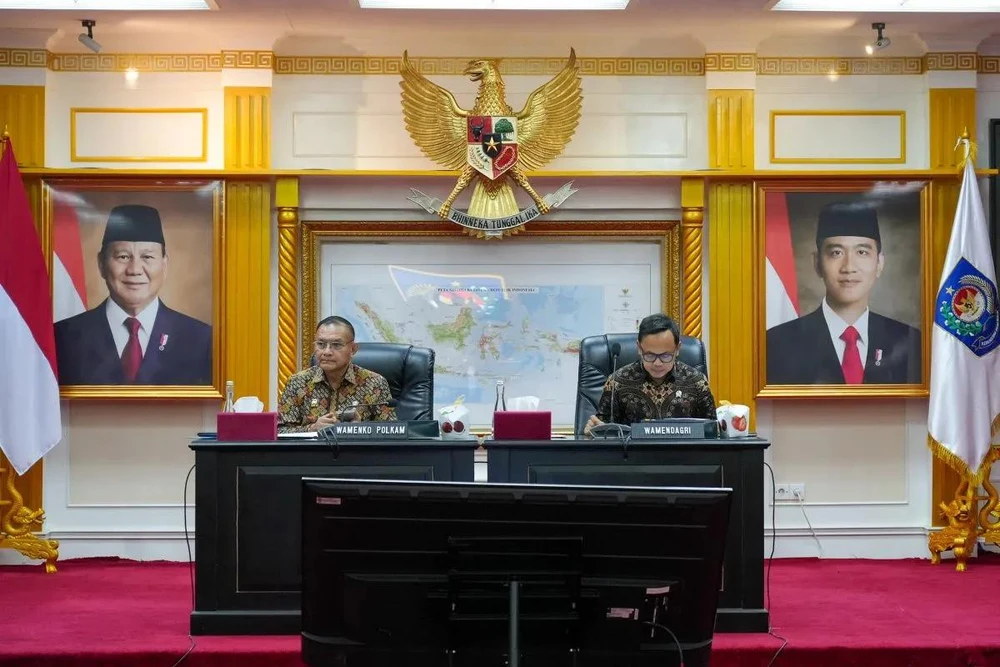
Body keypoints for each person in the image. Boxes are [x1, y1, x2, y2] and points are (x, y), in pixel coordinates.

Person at [54, 204, 212, 386]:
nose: (135, 270)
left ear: (164, 264)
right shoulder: (64, 338)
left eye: (147, 257)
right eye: (123, 257)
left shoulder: (200, 340)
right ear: (101, 264)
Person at [766, 201, 921, 385]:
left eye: (862, 252)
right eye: (836, 253)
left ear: (879, 263)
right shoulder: (778, 344)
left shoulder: (910, 342)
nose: (849, 267)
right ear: (817, 263)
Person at [584, 313, 717, 436]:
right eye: (650, 355)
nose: (657, 363)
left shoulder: (696, 382)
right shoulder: (617, 382)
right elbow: (603, 429)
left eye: (665, 356)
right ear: (639, 348)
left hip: (684, 457)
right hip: (633, 458)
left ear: (677, 349)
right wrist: (595, 429)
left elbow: (712, 431)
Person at [277, 316, 398, 433]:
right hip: (311, 453)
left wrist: (361, 429)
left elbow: (392, 432)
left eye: (336, 345)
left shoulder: (374, 383)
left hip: (357, 452)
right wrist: (312, 428)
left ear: (353, 349)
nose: (327, 352)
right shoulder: (297, 382)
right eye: (321, 344)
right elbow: (279, 431)